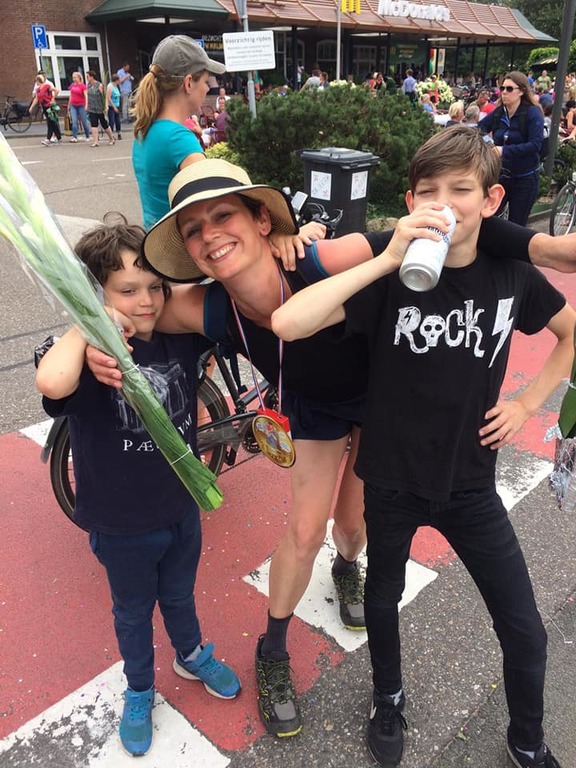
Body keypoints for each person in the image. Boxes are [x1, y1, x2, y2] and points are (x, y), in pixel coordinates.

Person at [86, 158, 576, 744]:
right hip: (314, 410)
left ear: (263, 222)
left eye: (224, 216)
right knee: (302, 530)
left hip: (381, 402)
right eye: (194, 229)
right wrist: (96, 330)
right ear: (188, 250)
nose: (210, 235)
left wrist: (541, 246)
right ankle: (273, 651)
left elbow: (440, 225)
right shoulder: (209, 305)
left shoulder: (317, 258)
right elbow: (132, 310)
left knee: (354, 526)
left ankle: (348, 569)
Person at [271, 126, 573, 768]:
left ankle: (527, 740)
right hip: (389, 478)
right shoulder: (389, 275)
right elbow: (288, 322)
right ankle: (389, 699)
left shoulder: (510, 271)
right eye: (428, 191)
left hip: (470, 484)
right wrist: (383, 260)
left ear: (491, 200)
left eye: (460, 189)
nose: (444, 203)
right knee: (381, 601)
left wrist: (527, 402)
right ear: (409, 201)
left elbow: (570, 333)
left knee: (525, 629)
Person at [35, 223, 241, 758]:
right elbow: (51, 384)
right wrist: (86, 328)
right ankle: (140, 688)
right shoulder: (85, 357)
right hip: (120, 522)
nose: (146, 301)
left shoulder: (177, 334)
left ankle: (190, 654)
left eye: (154, 286)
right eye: (127, 290)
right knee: (132, 610)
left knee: (178, 594)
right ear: (93, 294)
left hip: (180, 508)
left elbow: (225, 293)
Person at [131, 34, 225, 229]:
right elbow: (214, 205)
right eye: (206, 82)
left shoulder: (144, 129)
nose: (208, 89)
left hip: (155, 241)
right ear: (188, 83)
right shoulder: (179, 139)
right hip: (179, 249)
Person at [479, 71, 544, 226]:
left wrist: (504, 150)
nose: (504, 93)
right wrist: (488, 144)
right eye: (502, 88)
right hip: (501, 175)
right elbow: (479, 129)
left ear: (521, 91)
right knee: (487, 218)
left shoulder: (532, 113)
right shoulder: (499, 112)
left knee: (515, 226)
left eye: (509, 89)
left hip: (525, 178)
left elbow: (535, 145)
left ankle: (511, 250)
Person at [86, 70, 116, 148]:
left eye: (88, 76)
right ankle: (96, 141)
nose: (87, 78)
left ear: (92, 77)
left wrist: (105, 106)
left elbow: (104, 97)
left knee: (104, 125)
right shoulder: (88, 85)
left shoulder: (99, 85)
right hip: (92, 108)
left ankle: (112, 138)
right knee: (94, 124)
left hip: (100, 108)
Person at [30, 74, 61, 147]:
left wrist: (53, 99)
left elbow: (56, 90)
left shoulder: (47, 86)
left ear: (38, 81)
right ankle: (58, 137)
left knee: (50, 122)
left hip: (50, 106)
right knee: (52, 122)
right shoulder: (38, 90)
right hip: (44, 107)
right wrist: (31, 107)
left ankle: (48, 139)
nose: (36, 82)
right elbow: (37, 99)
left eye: (36, 81)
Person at [67, 71, 90, 142]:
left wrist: (86, 105)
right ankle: (75, 137)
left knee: (84, 121)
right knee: (74, 121)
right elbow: (71, 95)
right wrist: (69, 105)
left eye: (75, 77)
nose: (74, 79)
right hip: (73, 105)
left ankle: (87, 136)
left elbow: (86, 96)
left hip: (81, 105)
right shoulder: (72, 85)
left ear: (79, 78)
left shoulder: (83, 86)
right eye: (73, 77)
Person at [106, 73, 122, 140]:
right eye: (119, 80)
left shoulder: (116, 86)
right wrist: (113, 107)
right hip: (111, 106)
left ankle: (119, 132)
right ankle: (111, 134)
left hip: (117, 105)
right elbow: (108, 98)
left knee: (117, 120)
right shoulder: (110, 86)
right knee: (111, 121)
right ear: (116, 80)